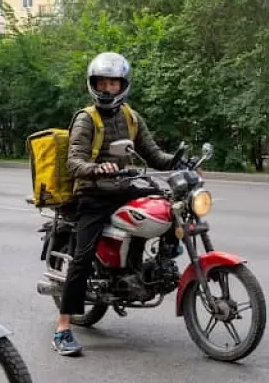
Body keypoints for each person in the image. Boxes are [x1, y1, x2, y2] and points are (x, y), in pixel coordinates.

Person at [54, 51, 178, 356]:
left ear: (123, 84)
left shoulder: (131, 117)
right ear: (93, 84)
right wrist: (96, 168)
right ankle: (63, 329)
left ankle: (146, 267)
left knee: (168, 205)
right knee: (81, 258)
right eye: (102, 82)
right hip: (94, 193)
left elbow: (154, 155)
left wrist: (180, 161)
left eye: (113, 82)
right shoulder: (87, 119)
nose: (107, 88)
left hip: (123, 188)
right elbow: (73, 162)